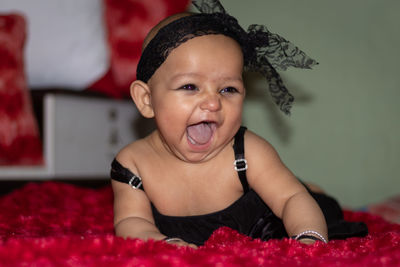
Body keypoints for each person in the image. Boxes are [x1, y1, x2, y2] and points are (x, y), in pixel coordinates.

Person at [110, 0, 367, 248]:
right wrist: (164, 243)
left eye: (228, 89)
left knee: (307, 199)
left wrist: (308, 239)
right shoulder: (134, 164)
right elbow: (132, 221)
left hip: (273, 223)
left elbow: (291, 199)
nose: (212, 102)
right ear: (146, 100)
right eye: (190, 86)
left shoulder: (246, 152)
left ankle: (311, 189)